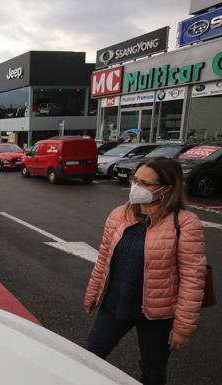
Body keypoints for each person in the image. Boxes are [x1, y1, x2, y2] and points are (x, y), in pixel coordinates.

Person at [84, 157, 207, 385]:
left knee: (153, 370)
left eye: (145, 183)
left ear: (166, 188)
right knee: (88, 357)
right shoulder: (119, 214)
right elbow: (103, 259)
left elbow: (193, 280)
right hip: (115, 304)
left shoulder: (186, 224)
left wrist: (182, 328)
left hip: (158, 314)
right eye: (135, 180)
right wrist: (92, 293)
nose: (136, 187)